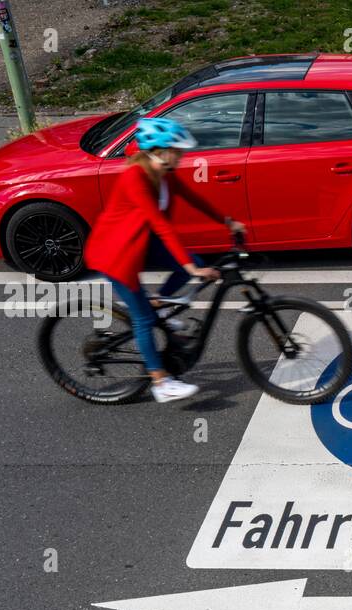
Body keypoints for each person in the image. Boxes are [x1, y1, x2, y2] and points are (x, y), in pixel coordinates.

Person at [83, 116, 245, 403]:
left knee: (187, 266)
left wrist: (228, 222)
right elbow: (160, 223)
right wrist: (190, 266)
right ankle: (161, 382)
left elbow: (195, 198)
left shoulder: (164, 174)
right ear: (158, 151)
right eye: (176, 150)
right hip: (116, 254)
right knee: (144, 320)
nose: (181, 156)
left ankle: (159, 304)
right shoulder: (134, 177)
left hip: (140, 243)